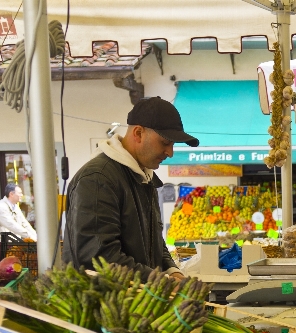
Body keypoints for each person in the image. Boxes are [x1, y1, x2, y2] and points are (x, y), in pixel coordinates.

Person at [63, 97, 199, 276]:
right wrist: (158, 280)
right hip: (106, 302)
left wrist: (172, 271)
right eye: (165, 143)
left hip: (138, 298)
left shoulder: (144, 178)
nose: (170, 152)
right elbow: (99, 258)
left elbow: (155, 243)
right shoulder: (98, 179)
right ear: (138, 133)